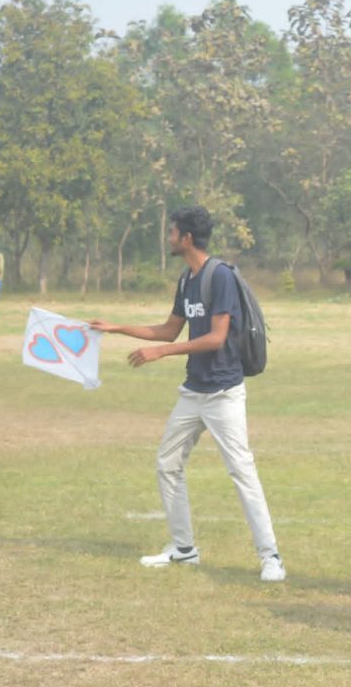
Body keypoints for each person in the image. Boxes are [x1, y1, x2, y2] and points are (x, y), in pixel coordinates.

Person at [90, 205, 286, 582]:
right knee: (167, 463)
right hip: (193, 391)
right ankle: (184, 549)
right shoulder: (187, 280)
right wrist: (116, 328)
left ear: (187, 238)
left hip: (224, 392)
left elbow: (216, 338)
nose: (169, 238)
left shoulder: (220, 276)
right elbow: (168, 330)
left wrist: (161, 353)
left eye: (173, 232)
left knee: (241, 471)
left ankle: (271, 557)